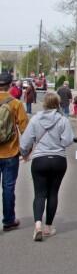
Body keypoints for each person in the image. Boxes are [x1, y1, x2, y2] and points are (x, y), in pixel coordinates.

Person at [20, 91, 74, 241]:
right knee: (53, 193)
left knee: (39, 194)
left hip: (40, 160)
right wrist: (58, 143)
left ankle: (38, 225)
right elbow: (68, 140)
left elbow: (25, 142)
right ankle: (48, 227)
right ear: (58, 104)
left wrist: (24, 153)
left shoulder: (36, 119)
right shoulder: (63, 120)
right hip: (58, 160)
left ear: (44, 104)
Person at [0, 71, 29, 231]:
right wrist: (26, 151)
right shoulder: (15, 104)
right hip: (10, 152)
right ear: (10, 85)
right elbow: (25, 128)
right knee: (8, 187)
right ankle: (8, 220)